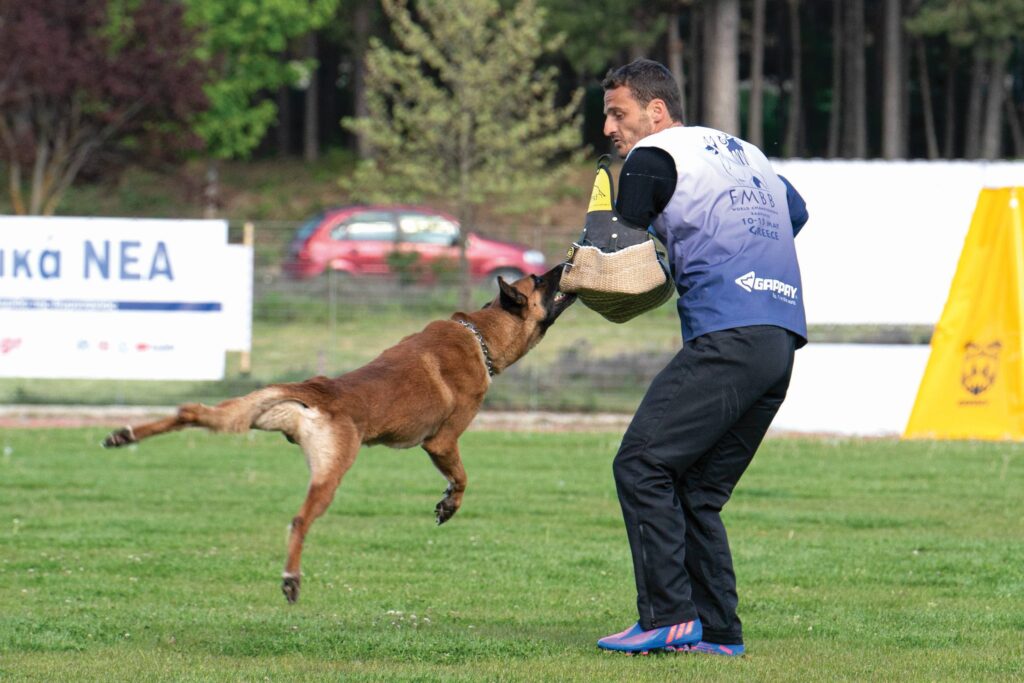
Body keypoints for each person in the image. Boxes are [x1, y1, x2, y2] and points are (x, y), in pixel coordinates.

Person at [593, 58, 809, 657]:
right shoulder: (745, 154)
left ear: (656, 111)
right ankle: (718, 632)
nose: (609, 128)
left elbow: (623, 234)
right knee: (694, 488)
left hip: (728, 334)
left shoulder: (652, 155)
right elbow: (795, 212)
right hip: (780, 337)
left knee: (641, 463)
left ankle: (667, 617)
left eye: (617, 113)